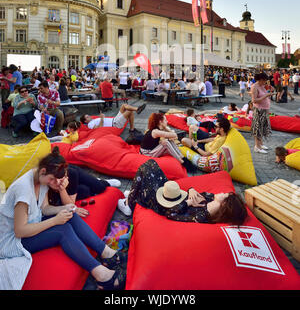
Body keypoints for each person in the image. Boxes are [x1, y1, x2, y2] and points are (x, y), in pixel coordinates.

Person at [0, 147, 126, 290]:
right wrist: (54, 220)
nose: (55, 184)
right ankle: (102, 276)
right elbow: (20, 231)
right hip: (13, 242)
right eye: (53, 180)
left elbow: (44, 208)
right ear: (43, 171)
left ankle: (107, 253)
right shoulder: (23, 191)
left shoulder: (41, 179)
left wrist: (65, 209)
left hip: (31, 224)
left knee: (69, 215)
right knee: (62, 230)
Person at [117, 159, 248, 226]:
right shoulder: (211, 199)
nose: (223, 192)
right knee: (151, 165)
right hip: (171, 195)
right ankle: (135, 195)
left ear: (224, 205)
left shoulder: (201, 216)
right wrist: (191, 190)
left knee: (144, 170)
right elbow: (195, 192)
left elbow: (171, 213)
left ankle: (129, 203)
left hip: (163, 205)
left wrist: (188, 202)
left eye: (225, 195)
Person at [80, 102, 146, 132]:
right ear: (85, 121)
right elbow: (98, 128)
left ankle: (137, 109)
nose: (90, 116)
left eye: (88, 115)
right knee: (129, 111)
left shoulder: (93, 120)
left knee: (123, 105)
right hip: (115, 124)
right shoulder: (90, 124)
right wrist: (102, 118)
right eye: (87, 117)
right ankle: (132, 129)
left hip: (115, 119)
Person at [250, 73, 272, 153]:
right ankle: (257, 146)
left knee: (262, 127)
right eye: (264, 81)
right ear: (260, 79)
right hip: (259, 110)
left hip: (264, 109)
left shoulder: (261, 86)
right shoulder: (254, 87)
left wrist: (269, 93)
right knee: (257, 128)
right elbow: (254, 100)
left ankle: (261, 143)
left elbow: (264, 94)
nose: (265, 82)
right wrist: (266, 96)